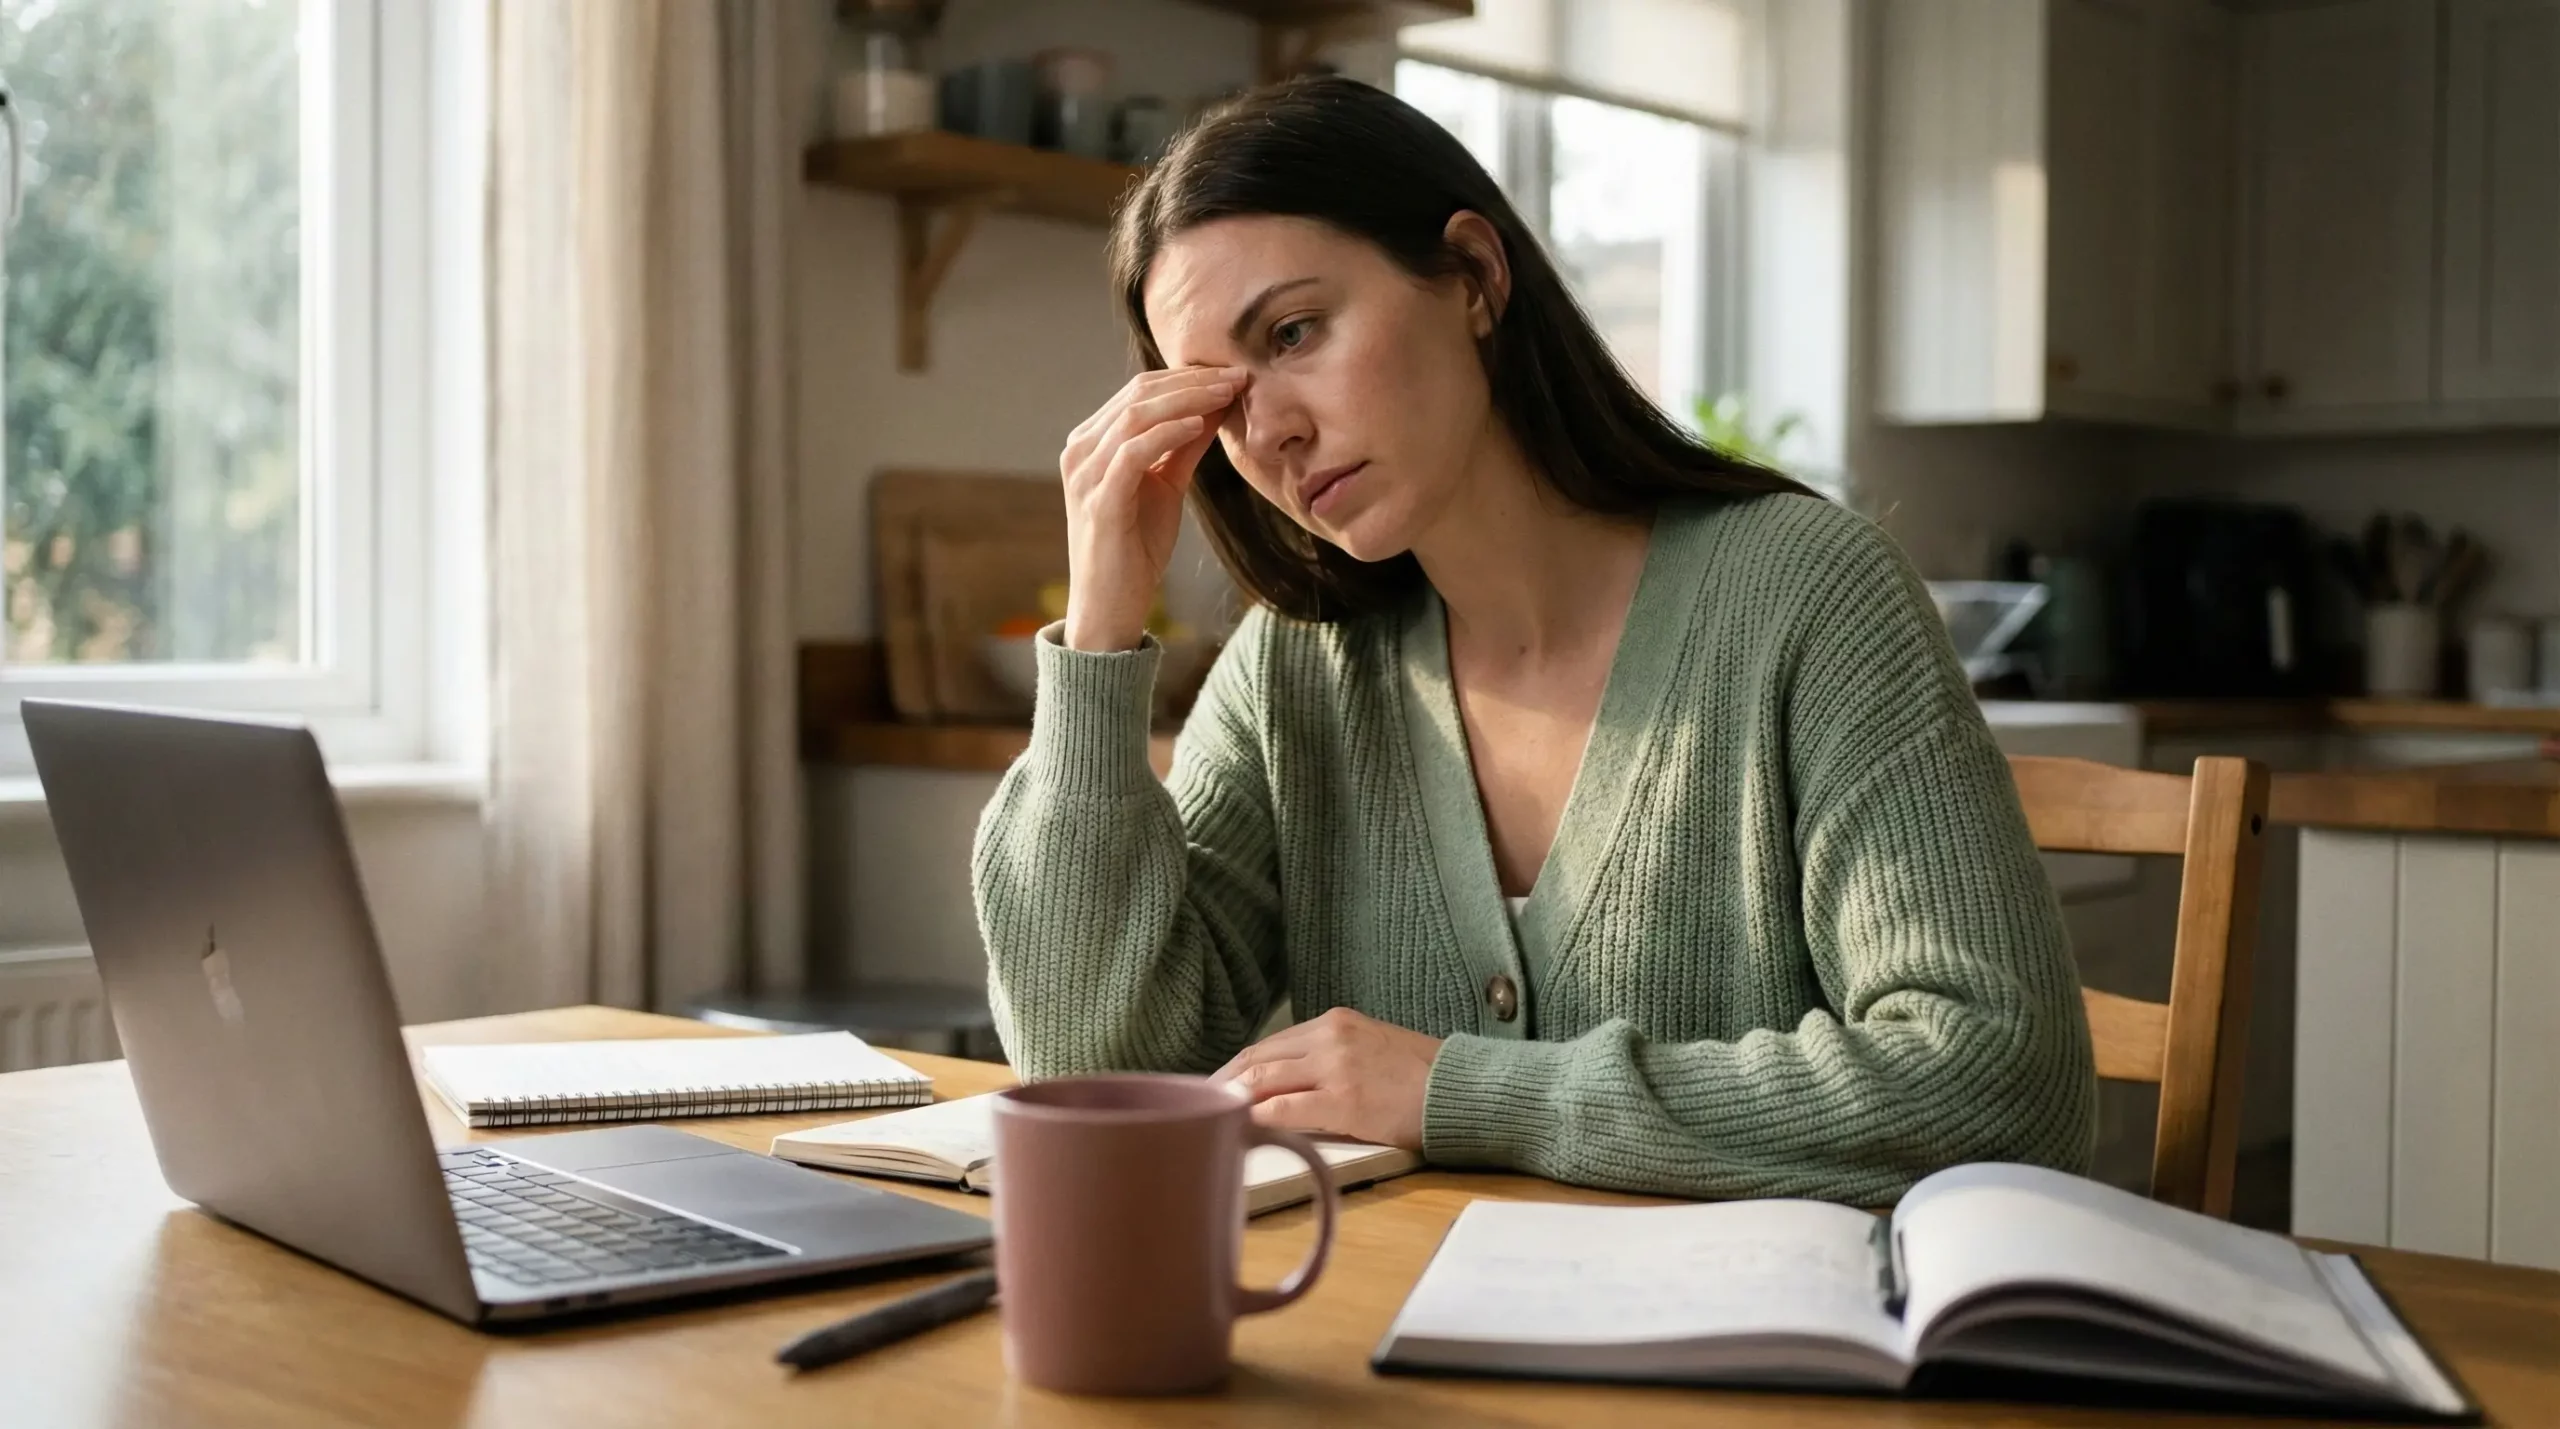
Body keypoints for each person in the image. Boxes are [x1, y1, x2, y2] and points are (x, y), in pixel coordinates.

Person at [972, 76, 2095, 1204]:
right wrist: (1101, 636)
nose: (1269, 430)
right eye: (1217, 396)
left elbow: (1999, 1083)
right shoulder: (1295, 673)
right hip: (1403, 1344)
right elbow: (1094, 1077)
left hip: (1769, 1362)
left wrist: (1462, 1093)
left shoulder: (1807, 599)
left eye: (1296, 331)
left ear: (1472, 276)